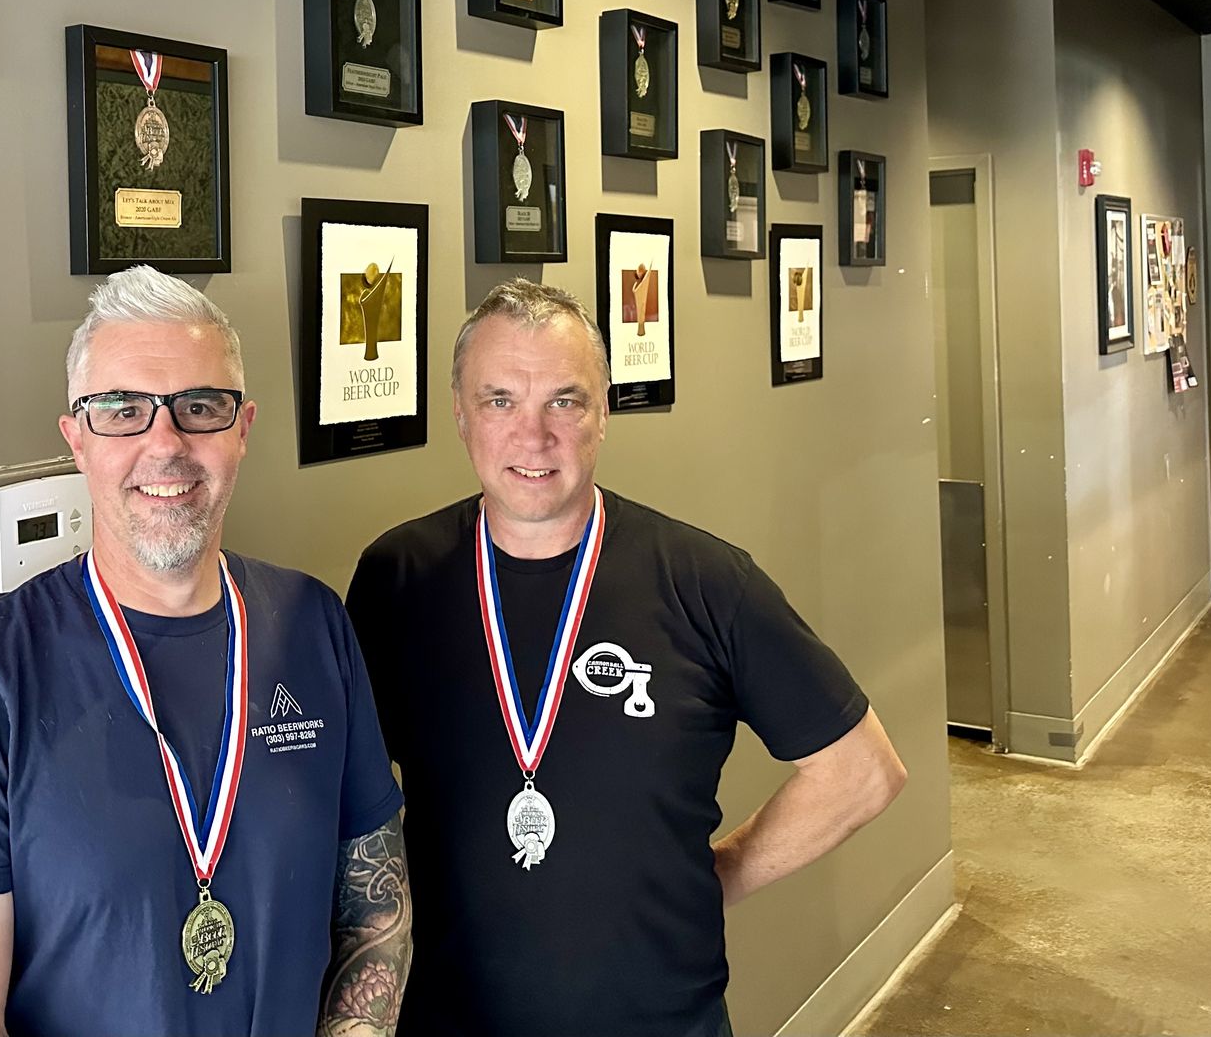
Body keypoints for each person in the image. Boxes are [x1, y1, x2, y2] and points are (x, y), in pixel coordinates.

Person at [346, 279, 907, 1037]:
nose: (533, 436)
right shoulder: (398, 579)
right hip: (451, 1019)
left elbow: (862, 772)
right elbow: (350, 806)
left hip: (660, 1018)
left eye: (565, 401)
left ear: (604, 412)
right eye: (500, 400)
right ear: (461, 413)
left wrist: (719, 874)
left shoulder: (705, 582)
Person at [0, 266, 411, 1037]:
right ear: (77, 440)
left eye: (200, 407)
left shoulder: (313, 624)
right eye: (122, 410)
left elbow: (375, 914)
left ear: (243, 430)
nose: (165, 443)